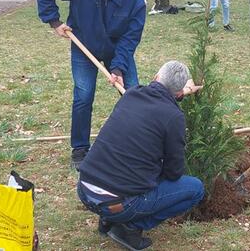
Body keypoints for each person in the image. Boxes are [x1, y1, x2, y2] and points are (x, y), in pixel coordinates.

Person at [35, 0, 146, 170]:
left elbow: (131, 37)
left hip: (117, 49)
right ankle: (80, 149)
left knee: (132, 94)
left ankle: (136, 146)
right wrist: (55, 22)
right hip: (84, 46)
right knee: (83, 96)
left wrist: (118, 67)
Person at [77, 60, 203, 250]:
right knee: (195, 189)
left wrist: (182, 91)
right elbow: (174, 172)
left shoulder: (131, 94)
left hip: (85, 189)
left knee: (123, 165)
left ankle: (107, 220)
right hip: (118, 204)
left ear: (155, 77)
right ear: (178, 95)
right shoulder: (174, 117)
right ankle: (129, 226)